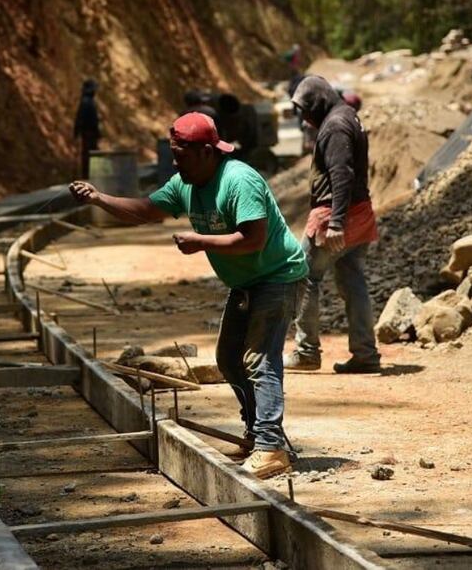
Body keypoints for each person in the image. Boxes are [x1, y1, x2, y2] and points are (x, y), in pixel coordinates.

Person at [69, 112, 307, 478]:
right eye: (174, 155)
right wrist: (99, 198)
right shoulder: (185, 183)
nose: (176, 163)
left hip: (278, 276)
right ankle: (256, 432)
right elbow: (147, 211)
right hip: (247, 283)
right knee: (229, 359)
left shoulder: (238, 180)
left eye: (182, 155)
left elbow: (253, 239)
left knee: (259, 360)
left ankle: (271, 447)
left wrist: (200, 242)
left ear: (209, 152)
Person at [283, 76, 381, 373]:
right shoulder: (347, 116)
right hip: (360, 213)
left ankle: (307, 351)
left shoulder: (335, 126)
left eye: (306, 109)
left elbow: (342, 174)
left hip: (334, 216)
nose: (305, 117)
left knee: (303, 275)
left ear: (319, 102)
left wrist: (336, 223)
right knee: (353, 281)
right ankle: (365, 354)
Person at [73, 79, 101, 178]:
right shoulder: (87, 102)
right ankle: (88, 176)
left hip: (90, 134)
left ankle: (90, 175)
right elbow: (81, 119)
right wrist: (77, 132)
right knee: (89, 156)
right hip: (89, 134)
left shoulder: (88, 101)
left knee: (90, 156)